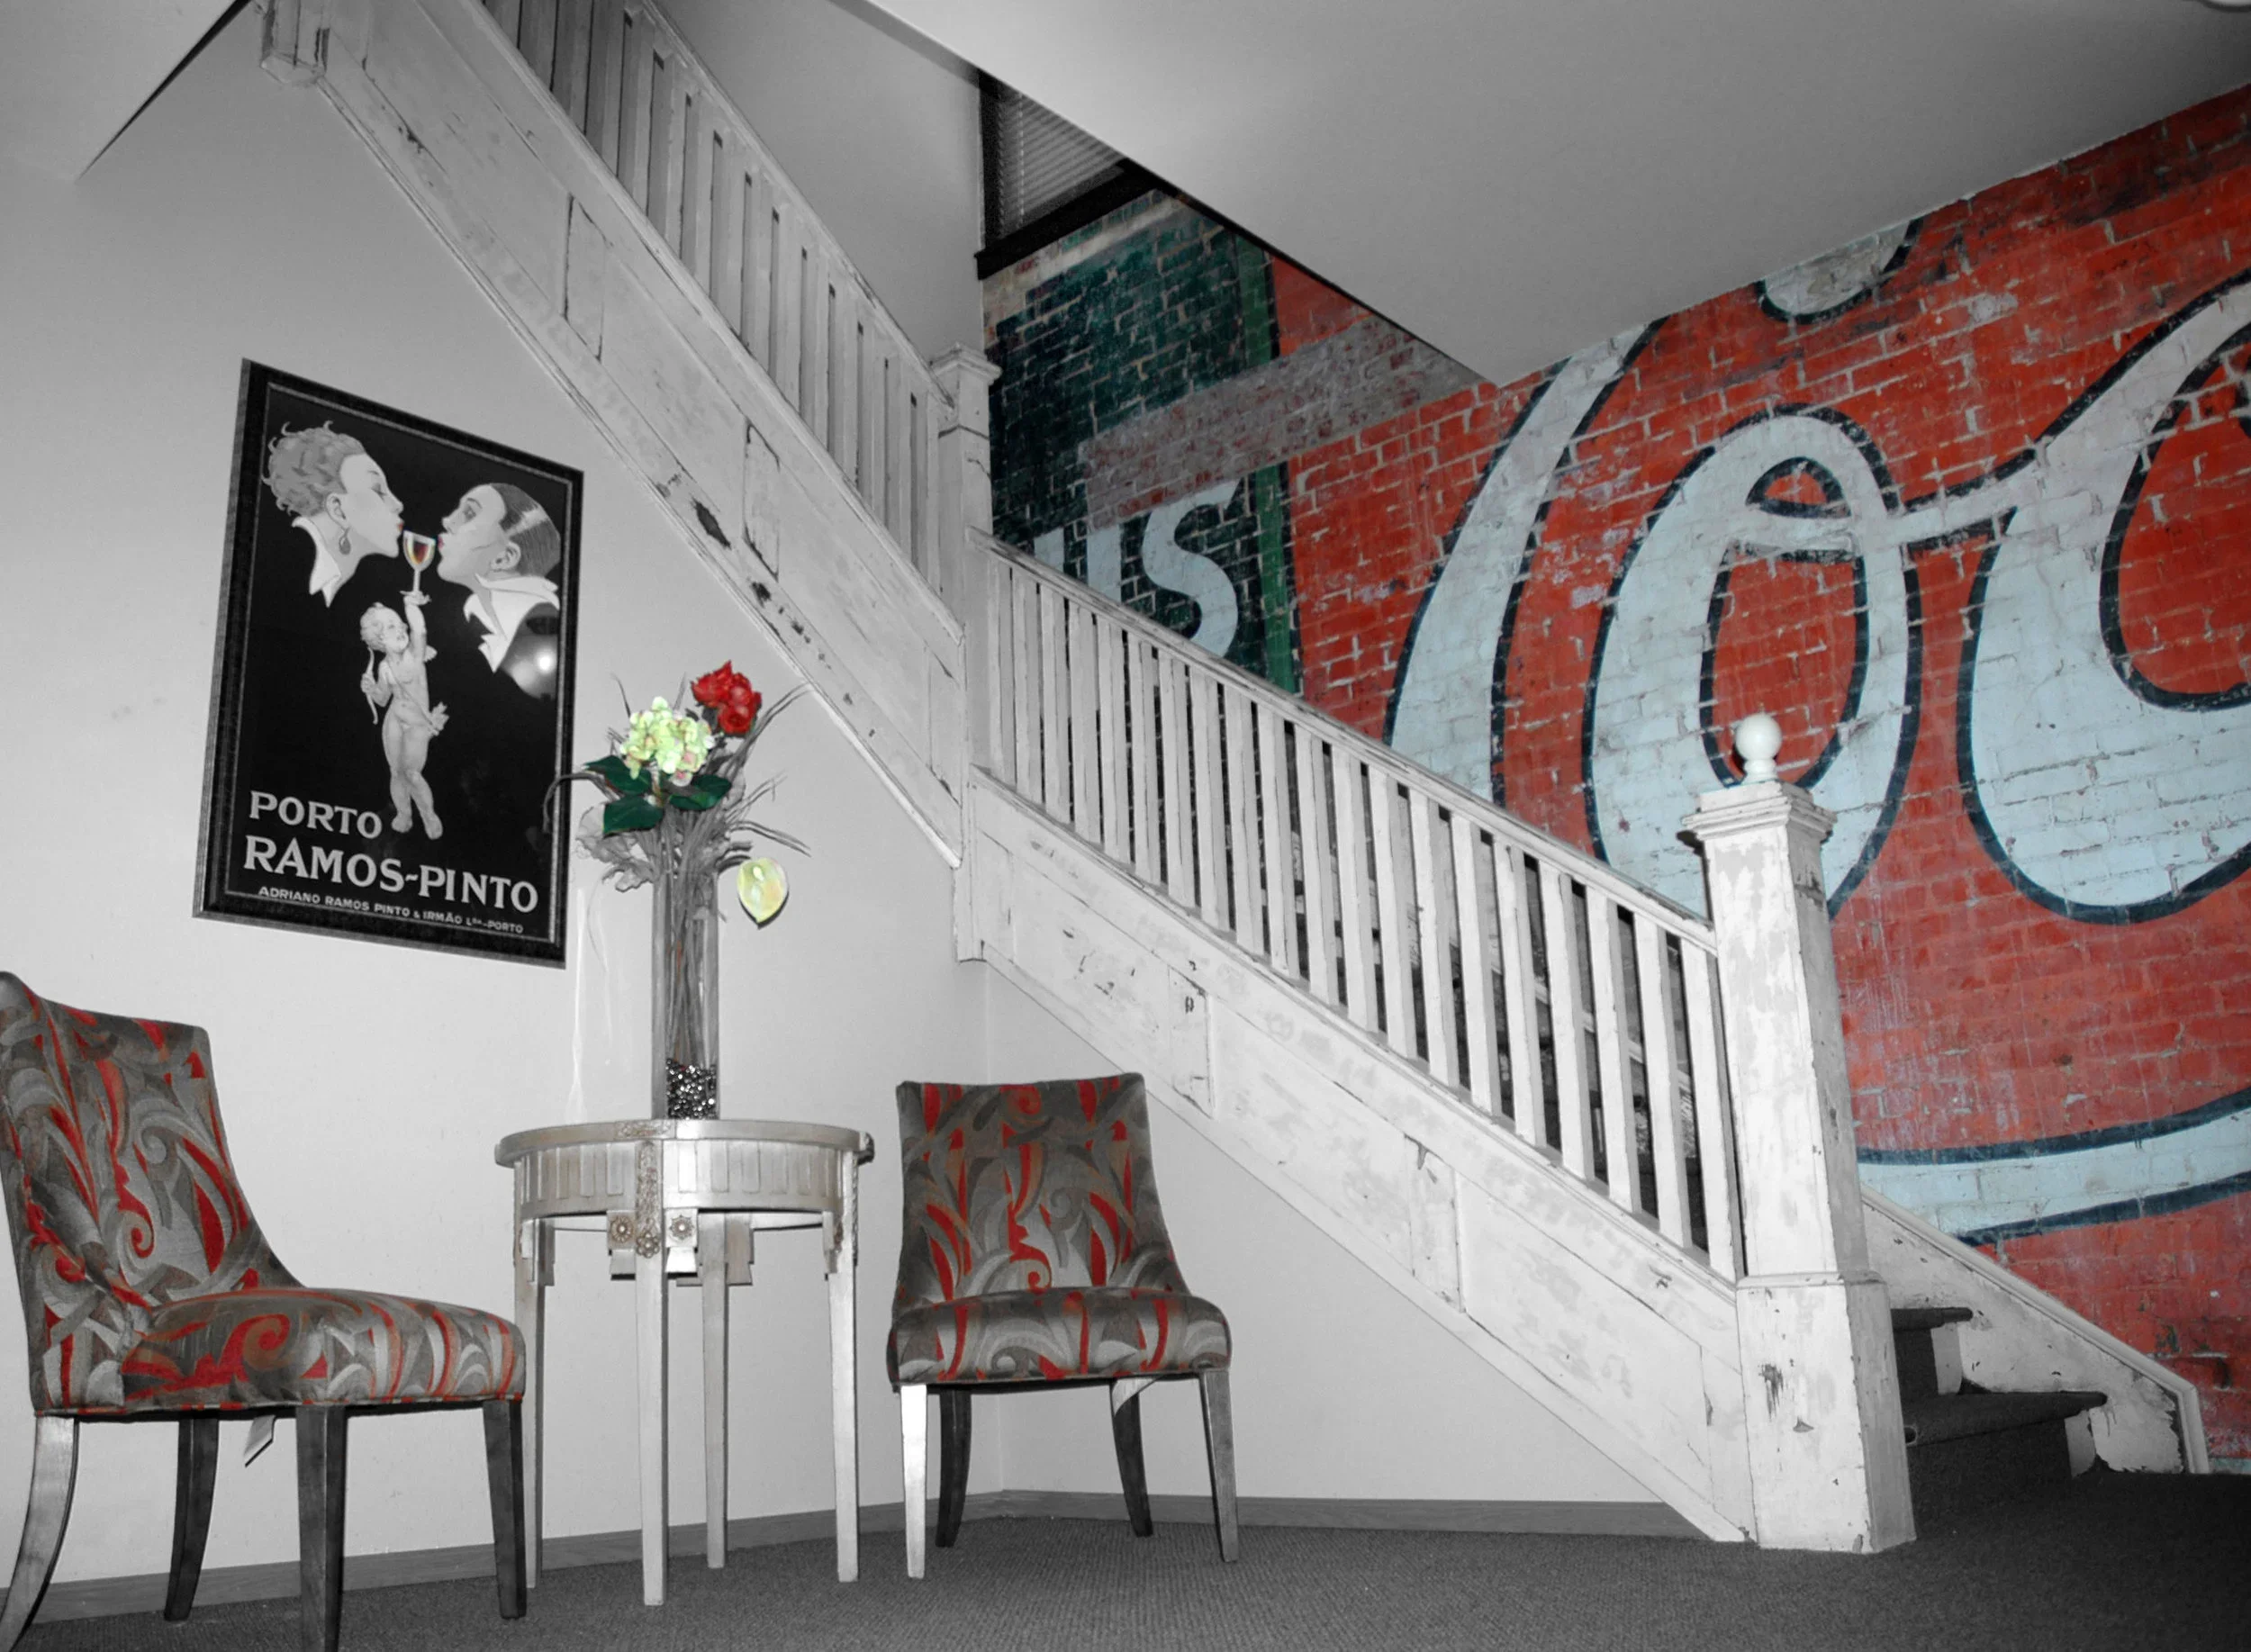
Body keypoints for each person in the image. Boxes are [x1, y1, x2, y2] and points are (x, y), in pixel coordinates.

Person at [435, 482, 564, 698]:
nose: (447, 521)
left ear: (504, 557)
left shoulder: (544, 631)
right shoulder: (479, 628)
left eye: (469, 513)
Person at [263, 424, 403, 606]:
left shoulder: (346, 586)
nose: (398, 505)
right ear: (337, 509)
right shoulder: (281, 570)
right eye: (378, 490)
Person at [358, 592, 449, 838]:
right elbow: (382, 698)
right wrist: (370, 688)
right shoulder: (384, 667)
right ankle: (404, 813)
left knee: (412, 773)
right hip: (394, 720)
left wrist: (410, 605)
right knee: (396, 771)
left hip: (417, 724)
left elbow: (419, 629)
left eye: (399, 624)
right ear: (379, 639)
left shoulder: (415, 656)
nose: (399, 629)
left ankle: (428, 815)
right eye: (390, 627)